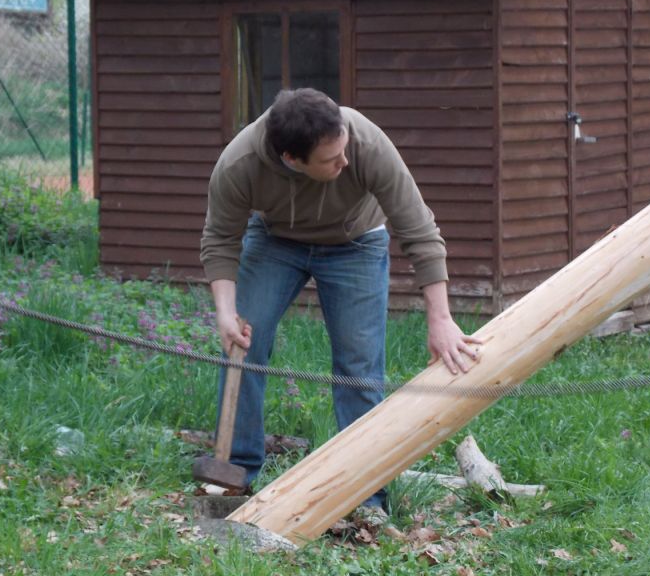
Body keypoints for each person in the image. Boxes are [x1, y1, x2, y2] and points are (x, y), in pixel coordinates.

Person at [200, 88, 479, 515]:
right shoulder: (240, 164)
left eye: (344, 149)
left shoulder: (364, 142)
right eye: (331, 159)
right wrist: (225, 312)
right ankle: (234, 471)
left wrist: (440, 319)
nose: (344, 162)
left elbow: (419, 229)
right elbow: (220, 239)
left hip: (356, 242)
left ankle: (366, 496)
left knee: (358, 366)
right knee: (243, 343)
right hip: (276, 241)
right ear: (292, 159)